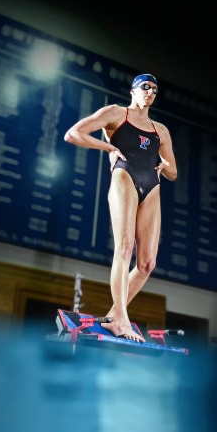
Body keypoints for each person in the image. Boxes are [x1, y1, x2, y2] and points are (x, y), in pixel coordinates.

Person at [64, 73, 177, 342]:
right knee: (125, 248)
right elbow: (73, 134)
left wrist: (164, 166)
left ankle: (115, 315)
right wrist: (108, 148)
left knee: (147, 263)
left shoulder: (161, 130)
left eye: (155, 90)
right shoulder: (116, 113)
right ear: (133, 91)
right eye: (145, 87)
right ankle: (122, 320)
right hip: (124, 175)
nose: (150, 93)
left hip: (152, 185)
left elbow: (173, 172)